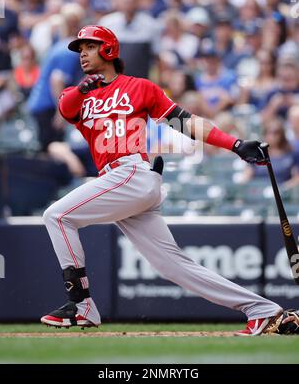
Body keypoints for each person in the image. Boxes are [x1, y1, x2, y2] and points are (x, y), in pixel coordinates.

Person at [40, 25, 295, 336]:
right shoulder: (80, 95)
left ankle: (81, 305)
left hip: (131, 173)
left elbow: (185, 123)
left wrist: (236, 144)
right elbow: (65, 106)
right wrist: (83, 89)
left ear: (108, 49)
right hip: (119, 183)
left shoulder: (141, 88)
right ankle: (263, 311)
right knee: (171, 265)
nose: (82, 53)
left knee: (56, 215)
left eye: (89, 47)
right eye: (79, 49)